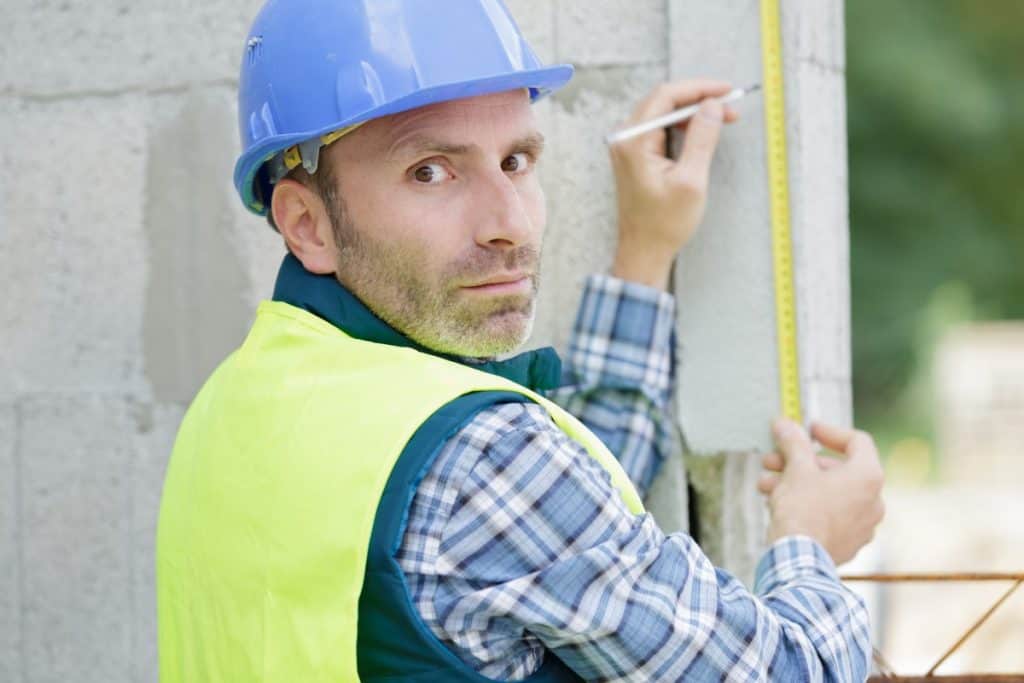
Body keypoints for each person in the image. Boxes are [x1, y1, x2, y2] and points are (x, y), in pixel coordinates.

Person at [156, 0, 885, 681]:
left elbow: (559, 548)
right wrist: (807, 541)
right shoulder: (484, 458)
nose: (508, 222)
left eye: (516, 162)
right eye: (430, 171)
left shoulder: (231, 411)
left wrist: (644, 252)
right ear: (308, 223)